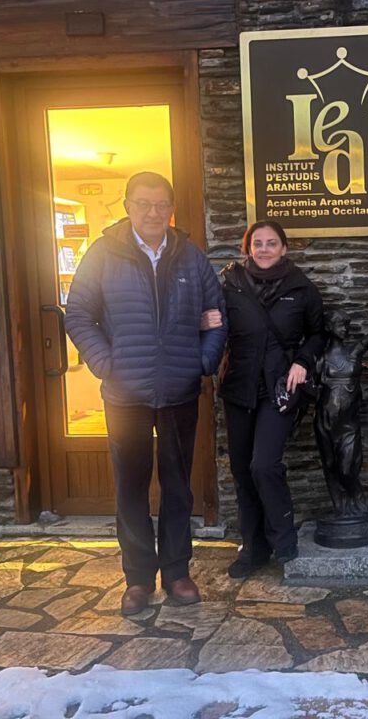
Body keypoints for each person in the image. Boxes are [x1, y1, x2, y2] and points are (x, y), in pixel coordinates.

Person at [66, 171, 226, 617]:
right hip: (125, 396)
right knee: (131, 489)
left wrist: (203, 362)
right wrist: (104, 362)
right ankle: (138, 579)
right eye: (143, 204)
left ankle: (176, 572)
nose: (153, 213)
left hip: (178, 389)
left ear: (171, 208)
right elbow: (78, 314)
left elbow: (216, 313)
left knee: (178, 487)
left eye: (161, 205)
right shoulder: (103, 255)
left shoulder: (190, 257)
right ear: (128, 206)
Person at [219, 220, 325, 579]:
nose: (264, 249)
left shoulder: (302, 288)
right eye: (257, 243)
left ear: (284, 248)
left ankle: (284, 539)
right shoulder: (229, 285)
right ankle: (253, 547)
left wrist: (302, 361)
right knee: (241, 470)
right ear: (247, 247)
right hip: (239, 387)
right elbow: (217, 327)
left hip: (279, 388)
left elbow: (317, 334)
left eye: (272, 243)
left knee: (263, 464)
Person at [314, 303, 368, 519]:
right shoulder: (321, 360)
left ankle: (358, 498)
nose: (345, 329)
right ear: (329, 327)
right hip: (325, 422)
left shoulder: (354, 353)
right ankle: (340, 506)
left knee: (347, 469)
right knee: (329, 465)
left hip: (348, 425)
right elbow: (309, 390)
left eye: (347, 324)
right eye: (340, 324)